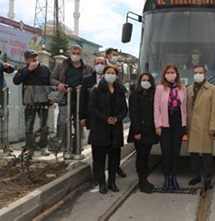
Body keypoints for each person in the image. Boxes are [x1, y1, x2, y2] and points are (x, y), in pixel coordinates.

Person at [88, 66, 128, 194]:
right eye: (108, 72)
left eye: (113, 73)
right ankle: (101, 183)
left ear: (116, 76)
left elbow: (124, 109)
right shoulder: (96, 90)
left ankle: (112, 182)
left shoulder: (120, 90)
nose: (111, 75)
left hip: (115, 130)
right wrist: (106, 119)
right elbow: (92, 108)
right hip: (100, 129)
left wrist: (117, 118)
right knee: (99, 159)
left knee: (114, 158)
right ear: (104, 74)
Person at [50, 45, 93, 154]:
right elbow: (52, 78)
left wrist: (83, 87)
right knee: (64, 123)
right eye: (73, 53)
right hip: (65, 98)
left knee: (78, 123)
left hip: (80, 100)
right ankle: (65, 146)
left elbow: (92, 82)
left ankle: (77, 146)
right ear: (69, 53)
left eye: (78, 53)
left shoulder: (87, 68)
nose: (75, 55)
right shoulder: (61, 66)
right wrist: (59, 84)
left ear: (81, 54)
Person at [186, 65, 215, 195]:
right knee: (194, 154)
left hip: (206, 127)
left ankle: (207, 178)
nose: (198, 74)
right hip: (192, 126)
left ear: (205, 74)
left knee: (206, 155)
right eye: (195, 72)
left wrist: (213, 126)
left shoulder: (212, 89)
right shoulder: (189, 89)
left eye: (200, 72)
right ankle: (196, 176)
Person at [154, 64, 187, 191]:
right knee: (166, 154)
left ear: (177, 74)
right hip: (165, 125)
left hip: (178, 125)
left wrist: (185, 124)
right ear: (164, 74)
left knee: (175, 154)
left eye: (173, 71)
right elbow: (156, 108)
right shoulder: (160, 88)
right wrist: (158, 125)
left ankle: (174, 177)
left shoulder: (182, 88)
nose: (170, 74)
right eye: (168, 72)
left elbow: (184, 108)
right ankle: (166, 178)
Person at [13, 50, 52, 156]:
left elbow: (50, 83)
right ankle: (29, 148)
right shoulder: (23, 70)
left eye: (35, 56)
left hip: (43, 102)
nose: (33, 58)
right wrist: (28, 70)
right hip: (30, 102)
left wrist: (51, 98)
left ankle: (43, 147)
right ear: (26, 60)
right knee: (29, 125)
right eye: (30, 57)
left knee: (44, 125)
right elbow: (16, 81)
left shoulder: (45, 69)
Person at [128, 72, 158, 194]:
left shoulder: (153, 94)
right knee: (141, 156)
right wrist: (137, 131)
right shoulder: (135, 95)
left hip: (150, 131)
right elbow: (133, 114)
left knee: (146, 156)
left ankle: (145, 179)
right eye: (143, 80)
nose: (145, 82)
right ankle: (142, 181)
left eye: (148, 80)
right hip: (139, 131)